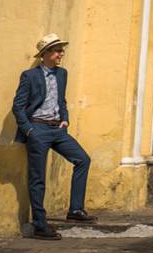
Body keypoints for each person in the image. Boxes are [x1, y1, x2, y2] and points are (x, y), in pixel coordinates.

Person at [12, 33, 96, 239]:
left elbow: (61, 100)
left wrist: (65, 118)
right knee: (38, 178)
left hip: (57, 129)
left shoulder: (62, 74)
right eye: (58, 50)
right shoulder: (29, 76)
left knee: (82, 159)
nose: (62, 54)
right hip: (37, 130)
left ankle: (75, 210)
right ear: (46, 54)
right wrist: (29, 130)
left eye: (61, 50)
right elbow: (18, 106)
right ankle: (40, 225)